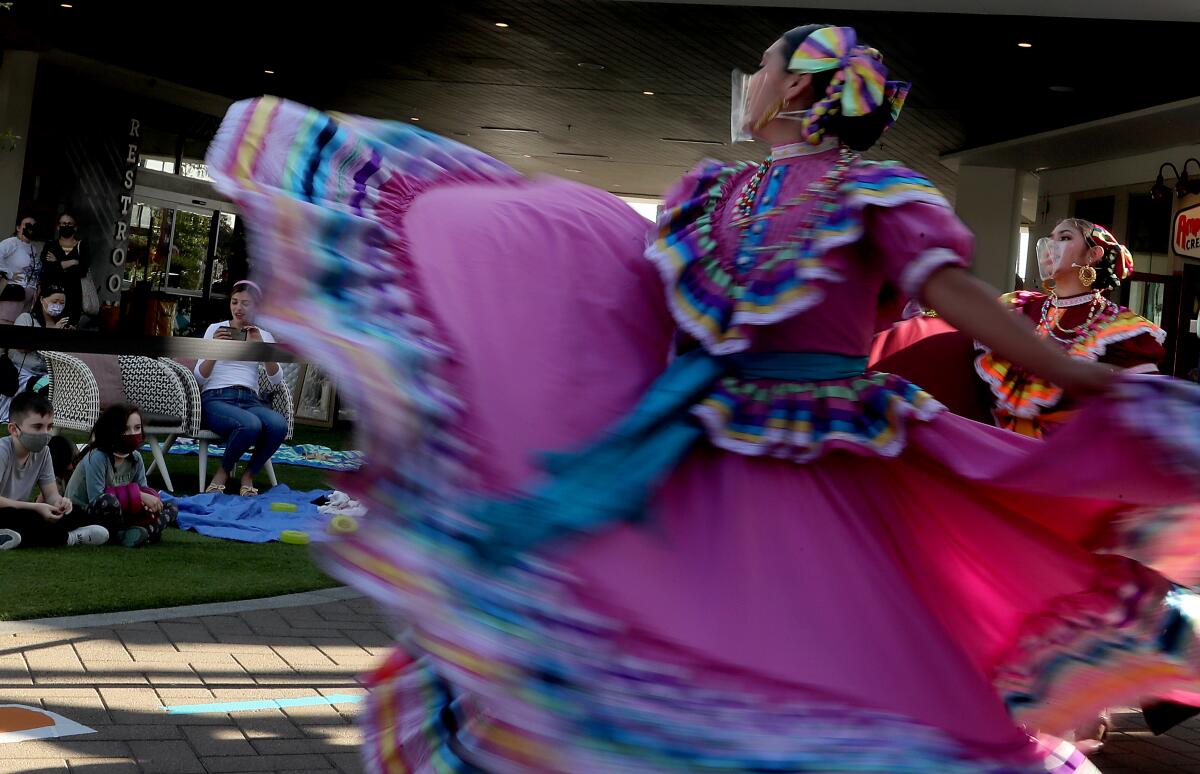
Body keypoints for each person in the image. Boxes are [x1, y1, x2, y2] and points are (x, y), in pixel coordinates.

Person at [207, 25, 1200, 773]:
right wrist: (507, 269)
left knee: (816, 658)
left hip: (823, 463)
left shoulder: (880, 194)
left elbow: (956, 296)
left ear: (802, 90)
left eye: (766, 64)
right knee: (682, 643)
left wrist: (1080, 374)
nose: (752, 78)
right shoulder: (709, 193)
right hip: (696, 445)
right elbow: (634, 301)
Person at [976, 219, 1165, 438]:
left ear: (1092, 255)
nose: (1050, 246)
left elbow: (1147, 408)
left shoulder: (1119, 325)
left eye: (1064, 238)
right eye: (1050, 238)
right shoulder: (1021, 307)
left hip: (1070, 463)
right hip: (1000, 451)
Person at [193, 279, 286, 496]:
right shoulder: (215, 329)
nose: (238, 308)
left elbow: (276, 379)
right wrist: (215, 350)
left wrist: (261, 348)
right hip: (217, 398)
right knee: (251, 424)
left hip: (250, 400)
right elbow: (199, 377)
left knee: (278, 424)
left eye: (245, 303)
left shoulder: (263, 335)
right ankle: (222, 474)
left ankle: (248, 475)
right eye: (234, 302)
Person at [0, 392, 107, 550]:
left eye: (49, 427)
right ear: (14, 429)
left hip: (21, 512)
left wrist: (61, 503)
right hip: (8, 512)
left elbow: (51, 494)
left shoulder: (43, 452)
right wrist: (36, 507)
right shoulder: (2, 451)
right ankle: (70, 538)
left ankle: (12, 537)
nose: (45, 433)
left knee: (76, 513)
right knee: (27, 518)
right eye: (37, 427)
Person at [65, 404, 176, 548]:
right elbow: (97, 497)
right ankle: (136, 534)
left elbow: (144, 490)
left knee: (170, 506)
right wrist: (140, 496)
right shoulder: (97, 456)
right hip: (84, 513)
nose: (133, 433)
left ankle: (135, 533)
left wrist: (150, 503)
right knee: (109, 501)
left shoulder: (136, 458)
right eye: (125, 429)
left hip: (122, 512)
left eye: (137, 428)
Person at [38, 212, 92, 326]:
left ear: (75, 227)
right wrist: (73, 262)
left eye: (69, 224)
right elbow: (47, 268)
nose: (66, 226)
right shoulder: (50, 245)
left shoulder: (82, 246)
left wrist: (57, 263)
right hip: (51, 295)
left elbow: (82, 270)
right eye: (63, 223)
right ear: (58, 226)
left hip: (73, 298)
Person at [0, 215, 39, 324]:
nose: (31, 228)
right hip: (14, 293)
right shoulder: (12, 242)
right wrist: (9, 274)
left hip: (28, 297)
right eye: (27, 225)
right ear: (18, 227)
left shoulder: (33, 247)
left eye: (34, 226)